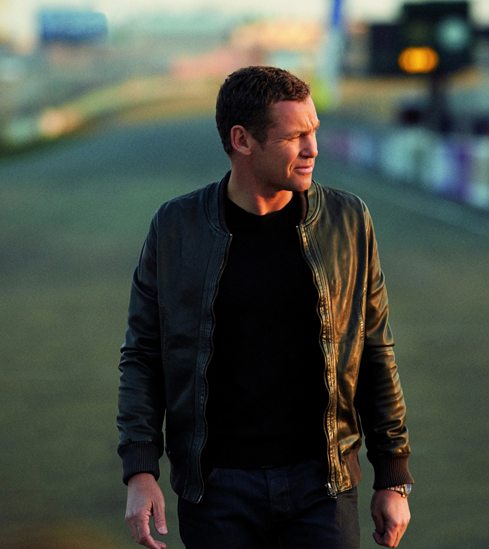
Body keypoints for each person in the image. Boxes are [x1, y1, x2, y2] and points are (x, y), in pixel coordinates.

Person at [117, 66, 413, 549]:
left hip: (324, 486)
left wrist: (392, 475)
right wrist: (140, 469)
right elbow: (144, 353)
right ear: (243, 140)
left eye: (313, 130)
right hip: (216, 493)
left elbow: (375, 348)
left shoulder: (349, 220)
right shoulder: (175, 227)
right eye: (296, 136)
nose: (313, 148)